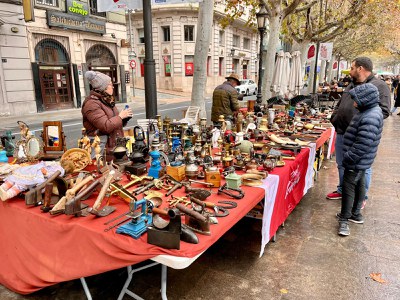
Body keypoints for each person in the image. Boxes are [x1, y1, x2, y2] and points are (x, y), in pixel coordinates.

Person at [327, 57, 390, 207]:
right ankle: (343, 190)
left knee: (362, 168)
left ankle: (360, 198)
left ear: (361, 68)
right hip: (342, 132)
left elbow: (384, 111)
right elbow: (342, 103)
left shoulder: (380, 86)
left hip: (361, 135)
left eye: (352, 67)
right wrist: (335, 117)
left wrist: (361, 122)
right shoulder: (352, 84)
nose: (350, 70)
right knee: (341, 164)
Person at [337, 83, 383, 236]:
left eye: (356, 100)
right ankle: (356, 214)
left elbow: (363, 143)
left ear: (365, 100)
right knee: (360, 184)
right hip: (361, 160)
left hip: (356, 160)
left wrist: (349, 158)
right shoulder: (368, 111)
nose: (354, 103)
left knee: (348, 187)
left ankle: (344, 220)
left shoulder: (370, 116)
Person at [82, 71, 133, 161]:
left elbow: (114, 122)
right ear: (103, 88)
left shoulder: (107, 100)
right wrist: (120, 117)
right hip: (101, 150)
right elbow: (105, 126)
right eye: (110, 84)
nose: (113, 86)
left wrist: (124, 118)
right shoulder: (92, 104)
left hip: (114, 147)